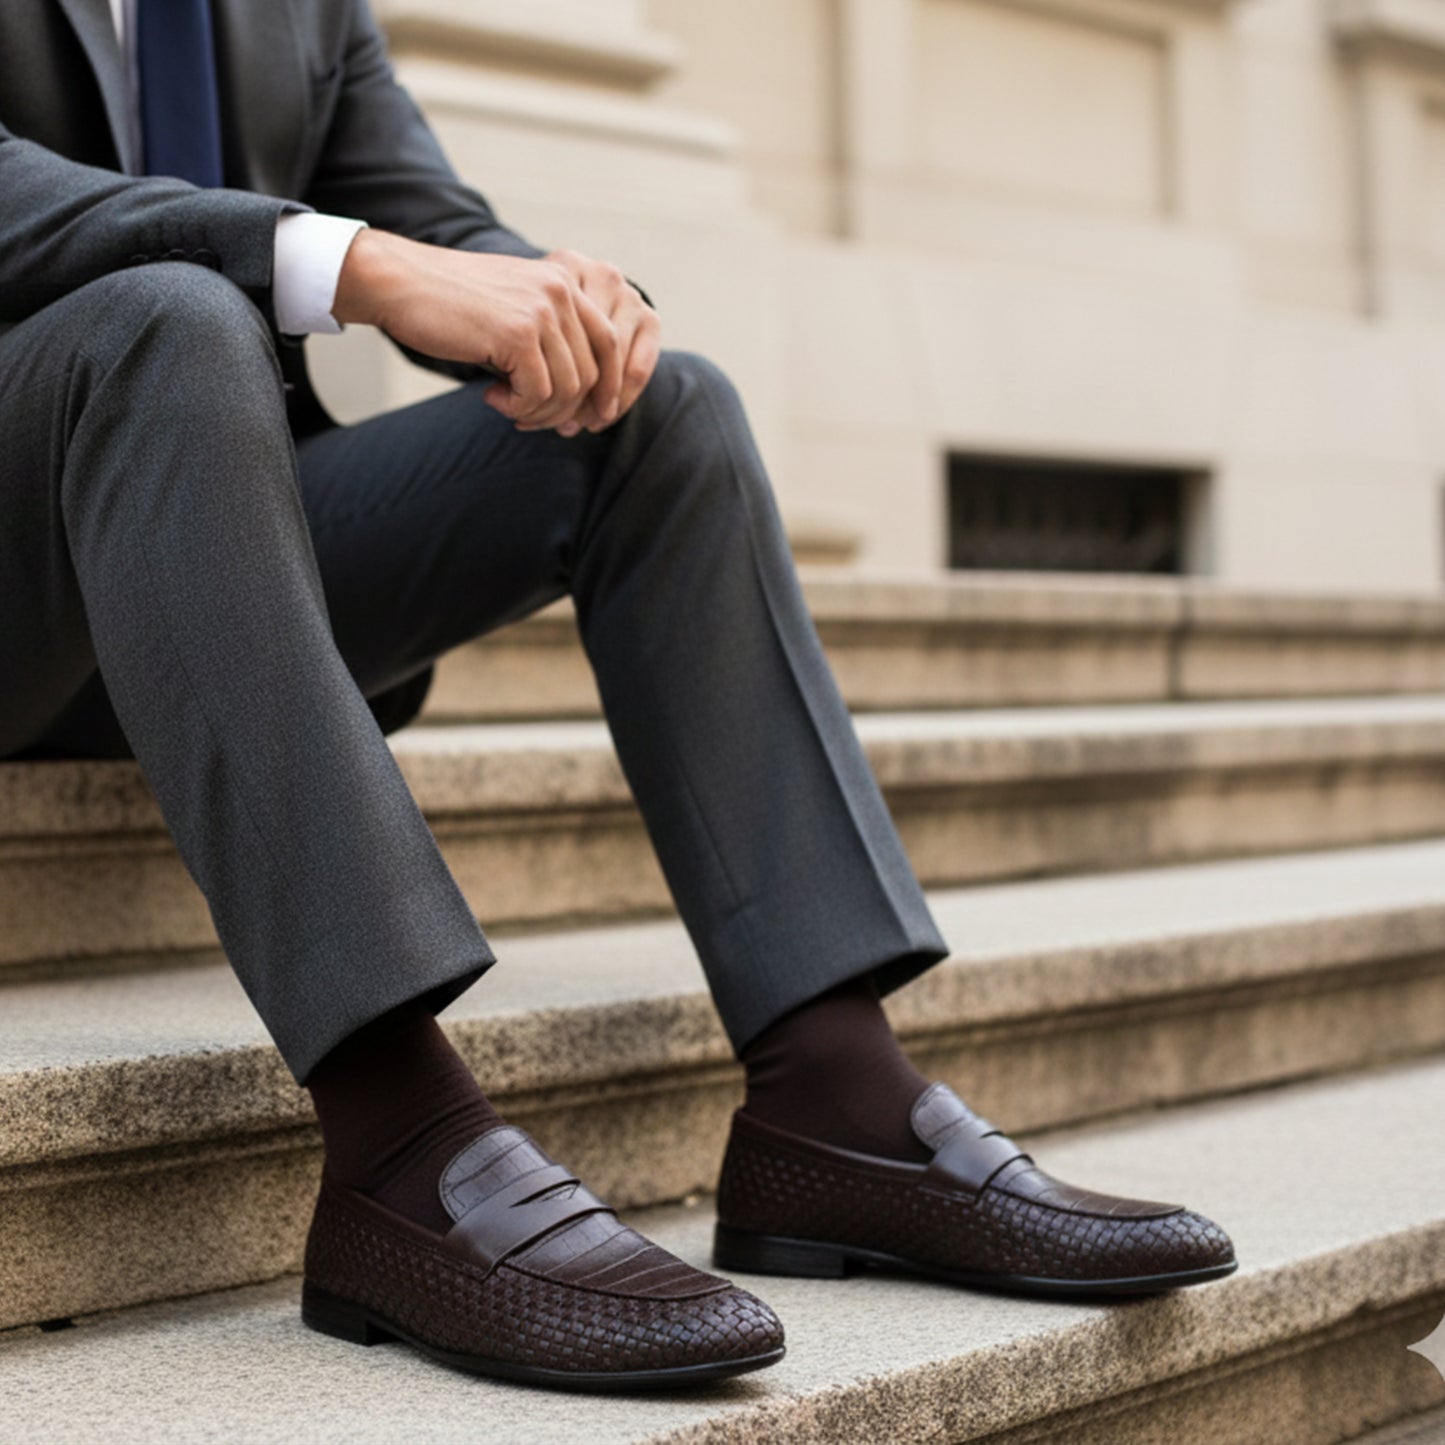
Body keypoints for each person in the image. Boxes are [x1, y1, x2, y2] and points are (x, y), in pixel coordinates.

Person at [0, 0, 1236, 1391]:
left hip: (210, 562)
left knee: (660, 413)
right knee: (165, 320)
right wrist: (344, 264)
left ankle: (835, 1103)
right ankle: (404, 1151)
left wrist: (567, 311)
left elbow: (438, 230)